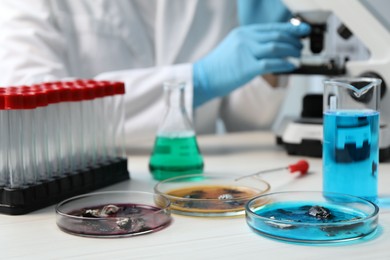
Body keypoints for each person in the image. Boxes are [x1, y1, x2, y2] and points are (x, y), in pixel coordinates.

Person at [0, 0, 310, 146]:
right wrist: (197, 80)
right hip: (90, 183)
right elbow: (30, 111)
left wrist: (267, 63)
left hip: (197, 177)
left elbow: (242, 122)